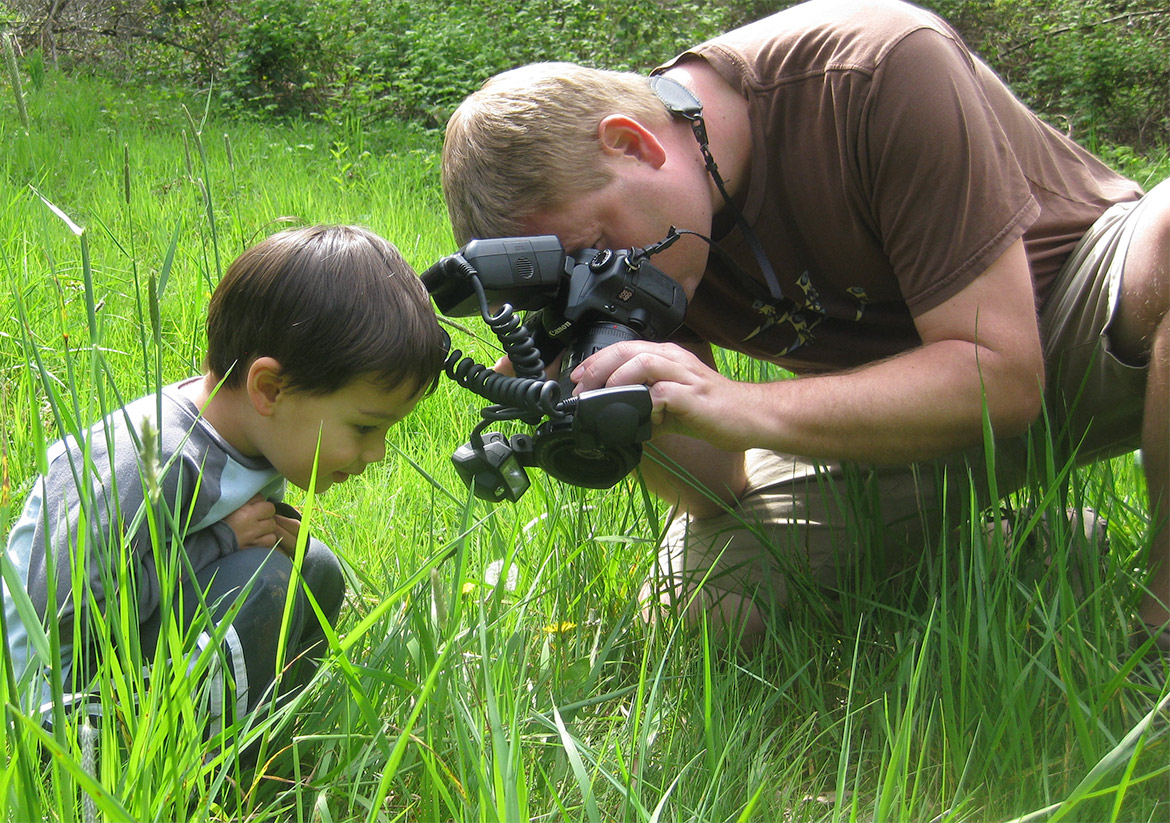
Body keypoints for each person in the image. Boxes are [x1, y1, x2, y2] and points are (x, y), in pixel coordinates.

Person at [440, 0, 1168, 651]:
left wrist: (740, 404)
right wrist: (607, 405)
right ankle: (1025, 551)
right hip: (887, 410)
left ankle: (1159, 635)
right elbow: (717, 485)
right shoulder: (649, 241)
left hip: (1076, 325)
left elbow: (1003, 378)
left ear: (633, 143)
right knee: (701, 614)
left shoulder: (874, 67)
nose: (605, 277)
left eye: (597, 247)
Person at [2, 225, 447, 738]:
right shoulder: (150, 455)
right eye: (366, 427)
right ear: (269, 389)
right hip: (56, 706)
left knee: (312, 568)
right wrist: (224, 542)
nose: (377, 453)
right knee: (262, 579)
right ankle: (179, 774)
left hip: (122, 664)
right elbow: (63, 610)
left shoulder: (258, 436)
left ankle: (259, 750)